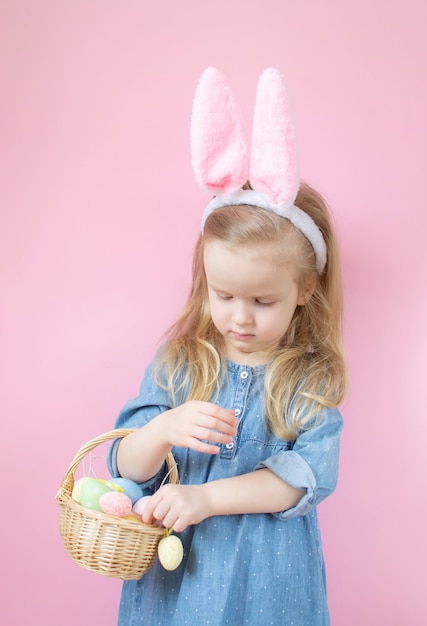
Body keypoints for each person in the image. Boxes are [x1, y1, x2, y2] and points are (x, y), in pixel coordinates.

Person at [108, 67, 347, 626]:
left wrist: (207, 499)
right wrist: (162, 430)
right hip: (176, 589)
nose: (239, 317)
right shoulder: (179, 364)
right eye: (224, 295)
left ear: (303, 290)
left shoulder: (306, 381)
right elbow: (124, 463)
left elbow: (303, 479)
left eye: (262, 301)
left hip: (269, 588)